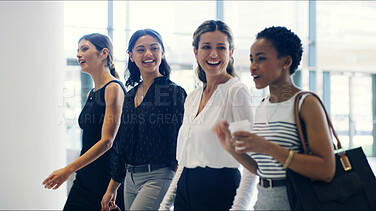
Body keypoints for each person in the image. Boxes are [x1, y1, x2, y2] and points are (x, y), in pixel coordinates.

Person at [214, 26, 336, 210]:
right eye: (252, 59)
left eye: (261, 59)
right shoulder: (263, 105)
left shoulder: (306, 103)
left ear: (286, 61)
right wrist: (231, 149)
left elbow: (326, 170)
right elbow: (263, 170)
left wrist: (268, 147)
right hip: (263, 203)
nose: (253, 66)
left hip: (296, 203)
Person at [160, 20, 257, 211]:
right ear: (196, 52)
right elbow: (185, 160)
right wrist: (165, 205)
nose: (214, 54)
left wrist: (239, 208)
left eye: (221, 47)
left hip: (220, 191)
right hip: (185, 192)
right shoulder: (193, 97)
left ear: (230, 52)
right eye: (206, 47)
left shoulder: (236, 92)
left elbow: (253, 163)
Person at [100, 29, 187, 211]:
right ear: (131, 56)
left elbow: (180, 144)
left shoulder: (174, 92)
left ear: (162, 53)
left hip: (159, 177)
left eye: (154, 48)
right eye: (140, 49)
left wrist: (179, 187)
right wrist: (112, 188)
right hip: (130, 180)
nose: (148, 53)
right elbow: (124, 145)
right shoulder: (130, 95)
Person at [42, 33, 126, 211]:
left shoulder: (113, 88)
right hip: (86, 175)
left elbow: (107, 141)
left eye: (84, 49)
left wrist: (68, 169)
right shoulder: (92, 93)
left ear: (103, 53)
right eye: (78, 50)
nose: (79, 54)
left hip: (105, 177)